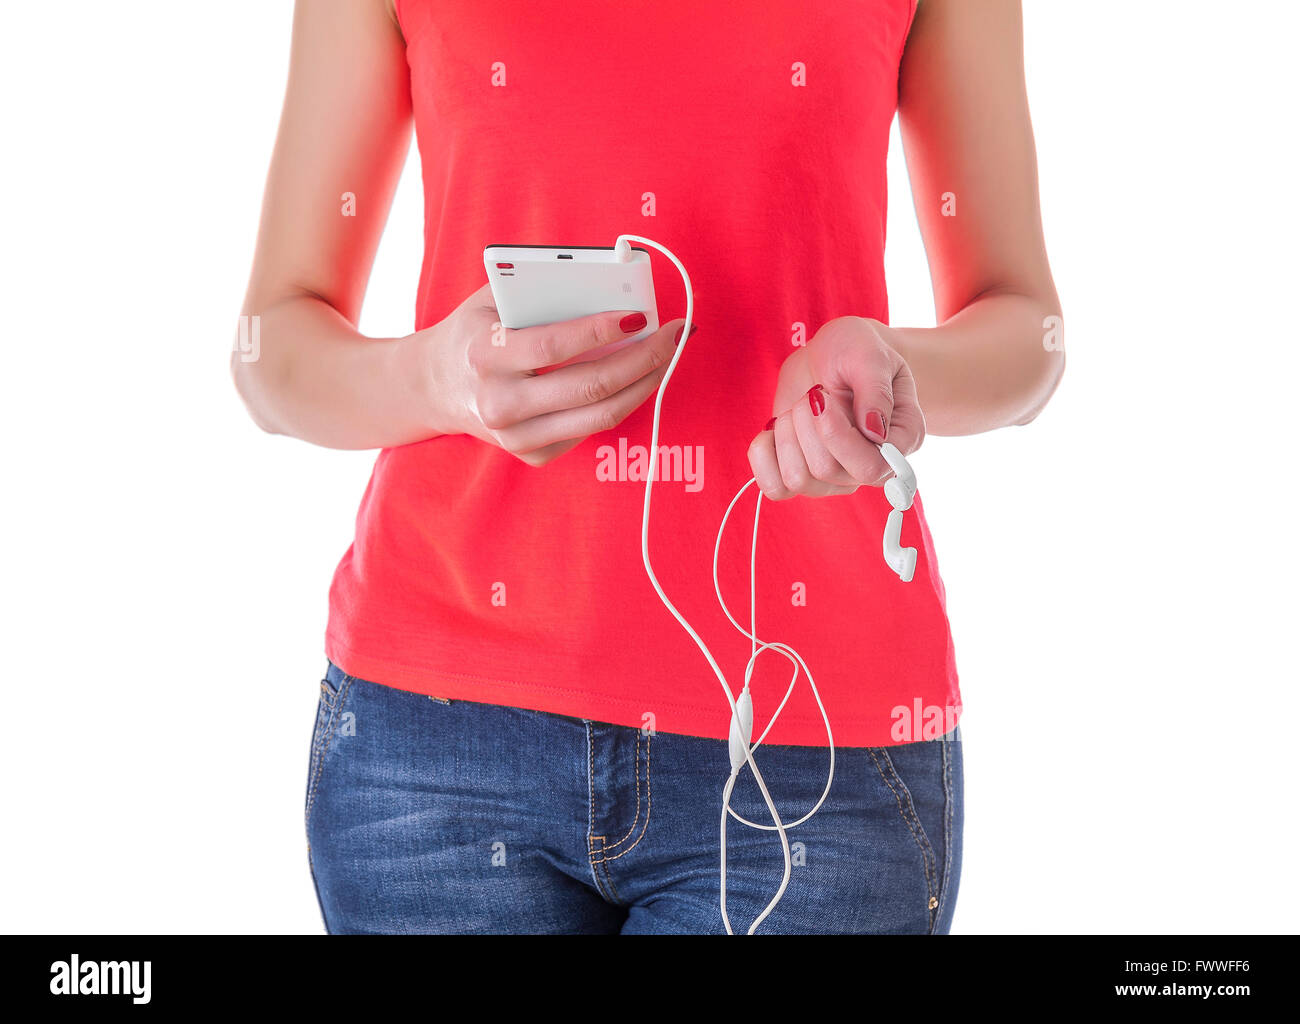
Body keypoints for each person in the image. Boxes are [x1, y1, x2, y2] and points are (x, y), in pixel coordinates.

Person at [234, 0, 1063, 934]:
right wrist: (438, 380)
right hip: (437, 744)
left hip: (814, 749)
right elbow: (273, 350)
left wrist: (887, 370)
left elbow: (1025, 329)